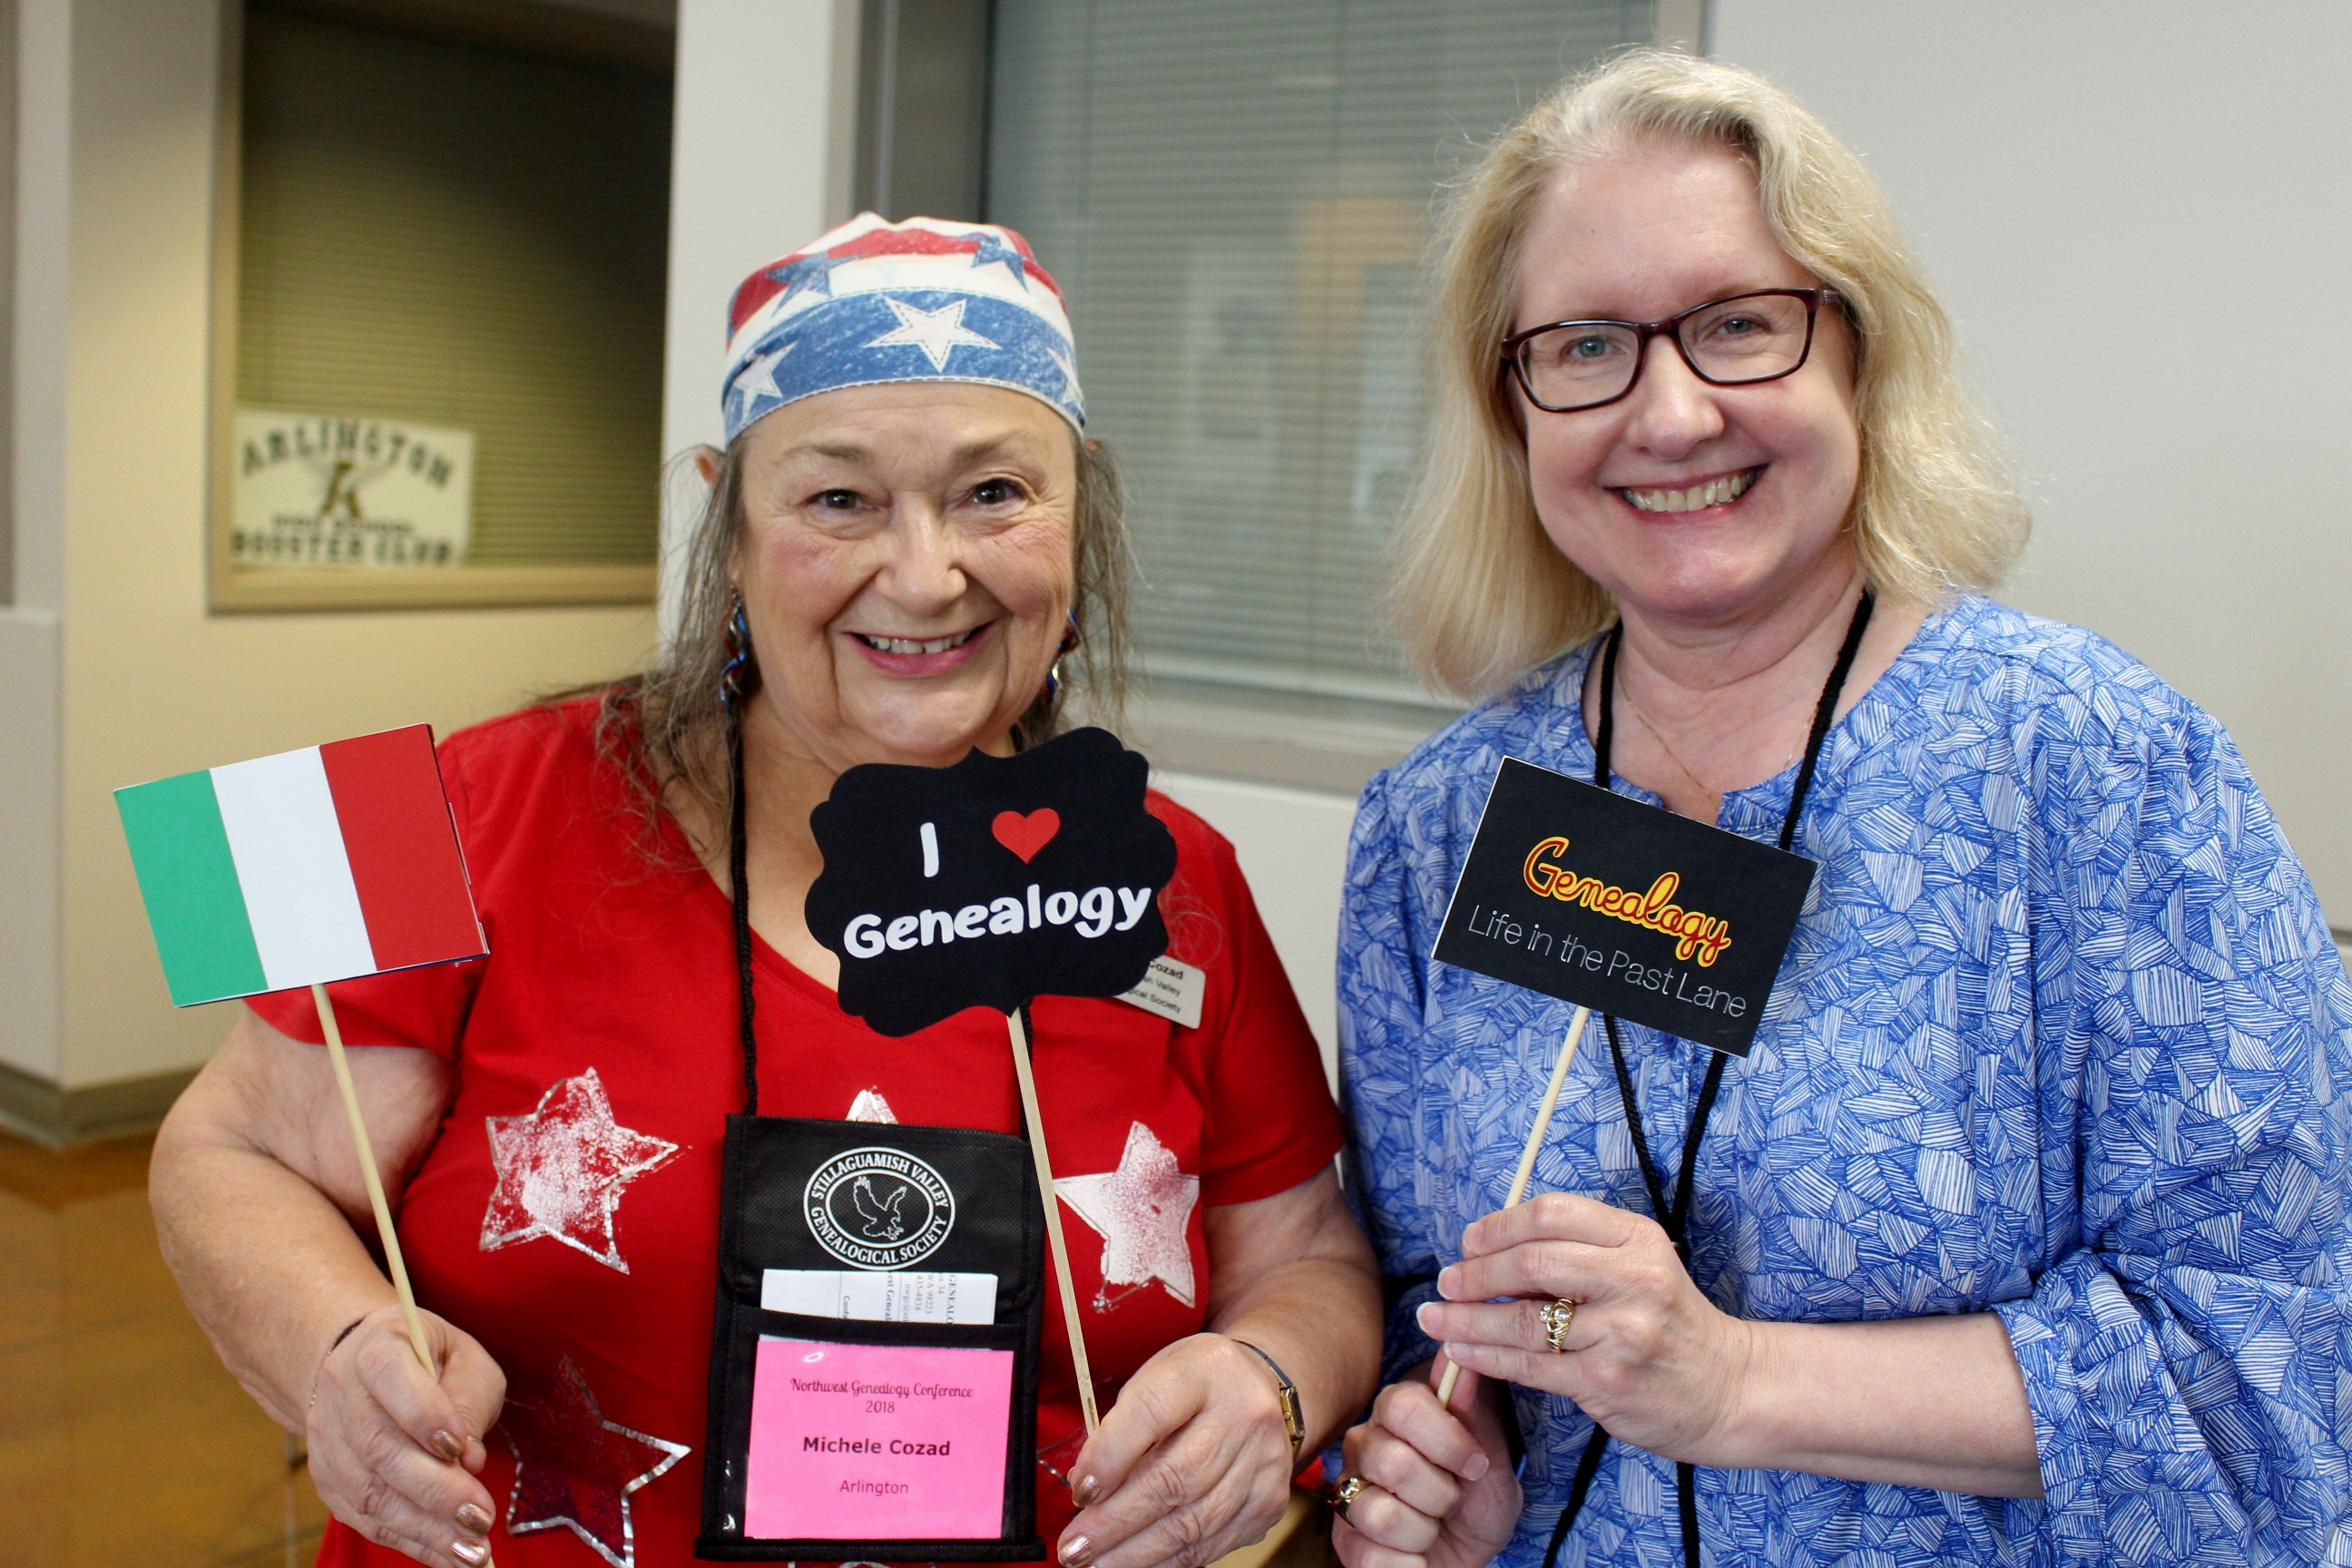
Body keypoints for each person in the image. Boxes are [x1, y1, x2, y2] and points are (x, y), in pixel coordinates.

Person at [151, 213, 1380, 1568]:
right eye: (839, 500)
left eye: (994, 493)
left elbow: (1307, 1256)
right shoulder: (462, 805)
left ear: (1078, 517)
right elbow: (234, 1151)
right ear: (726, 524)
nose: (926, 575)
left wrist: (1271, 1382)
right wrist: (335, 1349)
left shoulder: (1172, 876)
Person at [1329, 49, 2352, 1568]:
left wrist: (1737, 1383)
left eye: (1739, 324)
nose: (1672, 414)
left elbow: (2272, 1383)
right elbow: (1424, 1300)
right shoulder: (1442, 826)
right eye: (1588, 345)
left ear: (1859, 356)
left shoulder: (2102, 772)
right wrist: (1447, 1464)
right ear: (1514, 409)